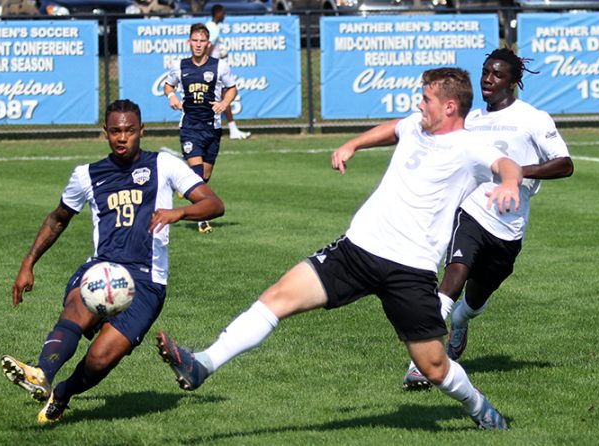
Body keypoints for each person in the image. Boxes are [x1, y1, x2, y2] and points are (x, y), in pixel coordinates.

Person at [155, 68, 522, 430]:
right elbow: (394, 128)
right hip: (357, 249)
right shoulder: (416, 124)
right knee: (278, 296)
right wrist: (353, 144)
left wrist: (509, 184)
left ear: (450, 107)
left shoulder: (470, 146)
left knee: (434, 367)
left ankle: (481, 409)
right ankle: (202, 364)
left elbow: (507, 166)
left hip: (409, 271)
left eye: (427, 99)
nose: (420, 104)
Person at [0, 99, 225, 423]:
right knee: (77, 307)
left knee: (102, 357)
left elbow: (214, 204)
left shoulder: (164, 165)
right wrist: (27, 264)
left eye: (130, 131)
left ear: (141, 131)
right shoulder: (87, 175)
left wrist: (180, 212)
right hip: (101, 267)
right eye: (116, 131)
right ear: (105, 133)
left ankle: (62, 393)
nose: (123, 138)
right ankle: (41, 372)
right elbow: (58, 219)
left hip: (148, 279)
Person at [402, 49, 574, 390]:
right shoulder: (473, 120)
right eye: (484, 72)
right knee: (453, 278)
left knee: (475, 301)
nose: (487, 79)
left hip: (508, 228)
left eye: (496, 75)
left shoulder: (533, 119)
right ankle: (420, 363)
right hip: (472, 211)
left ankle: (462, 322)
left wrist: (515, 171)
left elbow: (565, 164)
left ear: (512, 82)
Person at [164, 23, 238, 233]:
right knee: (196, 175)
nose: (198, 45)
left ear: (208, 44)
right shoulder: (180, 65)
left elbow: (232, 89)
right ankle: (201, 218)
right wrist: (172, 96)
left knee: (204, 177)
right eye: (194, 41)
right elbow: (168, 85)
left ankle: (182, 185)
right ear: (189, 42)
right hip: (190, 127)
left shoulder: (219, 66)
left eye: (202, 41)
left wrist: (224, 104)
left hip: (212, 128)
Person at [206, 4, 251, 140]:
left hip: (212, 66)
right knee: (224, 96)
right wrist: (206, 63)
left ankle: (232, 129)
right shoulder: (213, 28)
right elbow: (209, 46)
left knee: (220, 98)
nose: (224, 15)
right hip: (213, 68)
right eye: (223, 12)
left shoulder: (209, 26)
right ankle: (232, 130)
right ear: (218, 13)